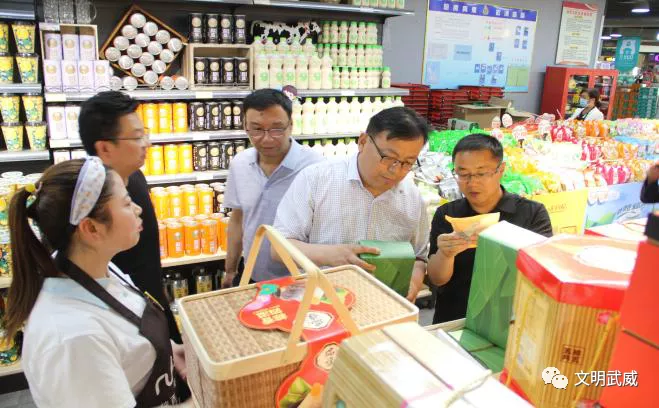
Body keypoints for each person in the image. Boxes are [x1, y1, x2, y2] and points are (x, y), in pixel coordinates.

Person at [5, 158, 191, 407]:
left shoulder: (97, 267)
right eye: (127, 203)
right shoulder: (73, 338)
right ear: (91, 228)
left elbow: (124, 338)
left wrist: (167, 351)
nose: (138, 209)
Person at [273, 107, 430, 302]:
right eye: (388, 158)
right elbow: (278, 248)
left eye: (407, 163)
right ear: (363, 141)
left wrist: (414, 282)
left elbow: (419, 256)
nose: (395, 170)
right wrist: (331, 255)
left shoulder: (412, 197)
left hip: (384, 305)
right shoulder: (316, 179)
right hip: (319, 302)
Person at [78, 91, 182, 345]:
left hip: (150, 302)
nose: (147, 143)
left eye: (144, 133)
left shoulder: (134, 178)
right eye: (136, 137)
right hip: (123, 320)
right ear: (104, 148)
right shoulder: (91, 201)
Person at [426, 134, 553, 324]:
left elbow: (543, 275)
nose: (472, 182)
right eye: (463, 174)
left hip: (510, 320)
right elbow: (437, 279)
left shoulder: (531, 214)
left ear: (501, 170)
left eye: (481, 173)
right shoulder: (448, 214)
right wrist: (445, 254)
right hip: (455, 318)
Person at [223, 89, 323, 287]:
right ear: (245, 126)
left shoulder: (316, 168)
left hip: (300, 279)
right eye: (257, 129)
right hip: (251, 274)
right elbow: (238, 219)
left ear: (291, 125)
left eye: (277, 129)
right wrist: (230, 270)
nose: (267, 139)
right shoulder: (240, 163)